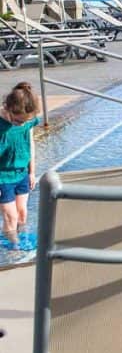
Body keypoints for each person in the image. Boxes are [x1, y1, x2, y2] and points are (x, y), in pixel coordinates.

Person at [0, 82, 40, 246]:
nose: (21, 124)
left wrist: (32, 172)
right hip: (3, 177)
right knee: (12, 217)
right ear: (7, 109)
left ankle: (21, 240)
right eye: (17, 121)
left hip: (22, 173)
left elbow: (30, 144)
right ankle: (14, 251)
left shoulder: (27, 121)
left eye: (25, 121)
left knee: (22, 214)